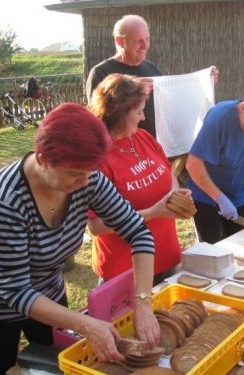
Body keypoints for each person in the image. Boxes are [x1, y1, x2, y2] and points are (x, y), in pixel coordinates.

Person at [0, 104, 160, 373]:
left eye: (89, 173)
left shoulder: (87, 177)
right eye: (74, 175)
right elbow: (16, 291)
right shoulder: (5, 202)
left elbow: (138, 232)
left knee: (59, 366)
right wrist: (85, 324)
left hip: (49, 297)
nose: (84, 183)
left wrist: (143, 302)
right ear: (43, 159)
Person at [88, 73, 189, 285]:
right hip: (126, 270)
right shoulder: (97, 158)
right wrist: (155, 212)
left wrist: (175, 195)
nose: (143, 118)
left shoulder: (143, 137)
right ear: (120, 113)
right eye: (139, 111)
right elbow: (96, 226)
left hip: (167, 257)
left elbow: (168, 174)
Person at [86, 14, 219, 138]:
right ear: (120, 41)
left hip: (154, 146)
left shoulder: (150, 68)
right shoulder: (101, 72)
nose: (145, 46)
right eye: (138, 41)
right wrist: (130, 89)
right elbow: (98, 120)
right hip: (124, 151)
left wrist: (203, 84)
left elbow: (172, 101)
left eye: (147, 39)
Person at [185, 88, 244, 244]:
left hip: (237, 194)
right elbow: (193, 164)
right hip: (205, 194)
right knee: (211, 251)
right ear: (243, 108)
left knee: (238, 247)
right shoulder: (219, 118)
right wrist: (219, 198)